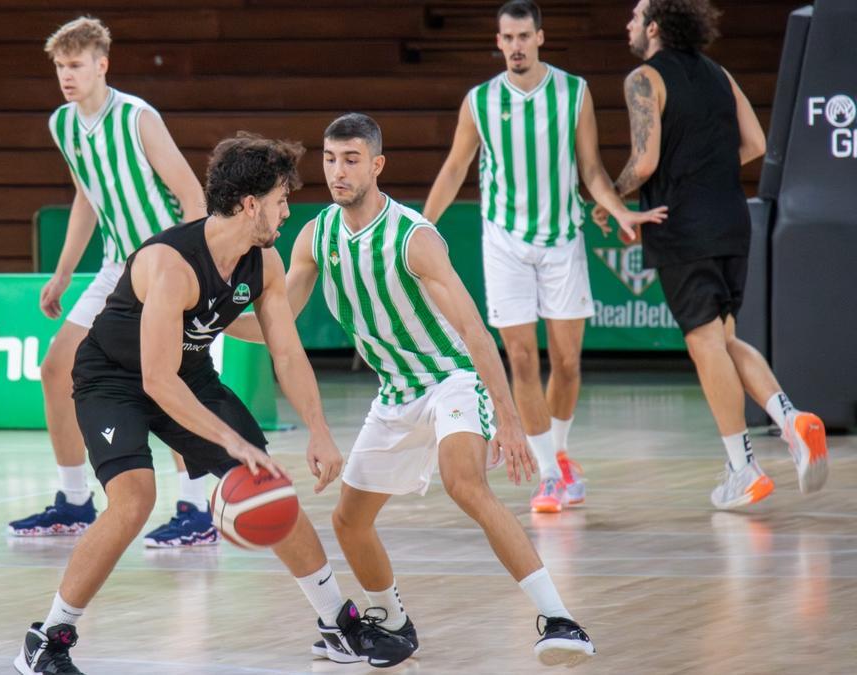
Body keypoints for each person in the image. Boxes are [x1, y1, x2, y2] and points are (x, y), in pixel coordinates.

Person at [12, 134, 415, 674]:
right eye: (280, 199)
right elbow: (156, 380)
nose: (287, 211)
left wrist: (318, 429)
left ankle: (335, 625)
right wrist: (229, 441)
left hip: (192, 375)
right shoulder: (170, 263)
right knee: (133, 499)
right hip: (114, 380)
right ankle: (48, 639)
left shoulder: (264, 264)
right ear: (250, 205)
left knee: (267, 480)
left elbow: (288, 356)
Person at [229, 114, 596, 667]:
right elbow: (277, 325)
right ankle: (393, 623)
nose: (338, 170)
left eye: (351, 159)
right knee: (348, 521)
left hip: (451, 378)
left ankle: (561, 620)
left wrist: (509, 414)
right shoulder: (315, 236)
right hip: (396, 393)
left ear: (376, 165)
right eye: (330, 159)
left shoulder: (413, 237)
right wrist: (204, 317)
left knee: (465, 484)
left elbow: (474, 329)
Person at [423, 0, 667, 513]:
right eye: (506, 38)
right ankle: (549, 474)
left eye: (523, 36)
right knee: (520, 358)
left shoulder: (572, 93)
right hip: (504, 242)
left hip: (562, 240)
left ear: (539, 38)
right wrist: (421, 226)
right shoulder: (480, 101)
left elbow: (593, 170)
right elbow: (453, 168)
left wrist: (619, 212)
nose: (515, 46)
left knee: (568, 363)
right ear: (498, 41)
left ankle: (557, 456)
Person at [594, 0, 828, 508]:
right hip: (730, 218)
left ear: (654, 27)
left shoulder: (643, 79)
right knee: (722, 336)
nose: (629, 25)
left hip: (682, 222)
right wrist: (705, 167)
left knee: (704, 343)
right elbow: (755, 142)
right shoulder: (718, 72)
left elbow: (646, 158)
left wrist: (611, 197)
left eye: (636, 16)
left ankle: (742, 468)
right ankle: (791, 419)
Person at [7, 17, 216, 548]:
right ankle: (74, 500)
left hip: (167, 266)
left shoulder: (138, 118)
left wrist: (195, 274)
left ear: (102, 65)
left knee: (171, 380)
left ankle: (195, 510)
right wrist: (60, 272)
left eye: (75, 65)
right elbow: (87, 196)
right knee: (57, 369)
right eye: (60, 67)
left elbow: (193, 197)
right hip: (115, 267)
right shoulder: (62, 124)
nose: (66, 76)